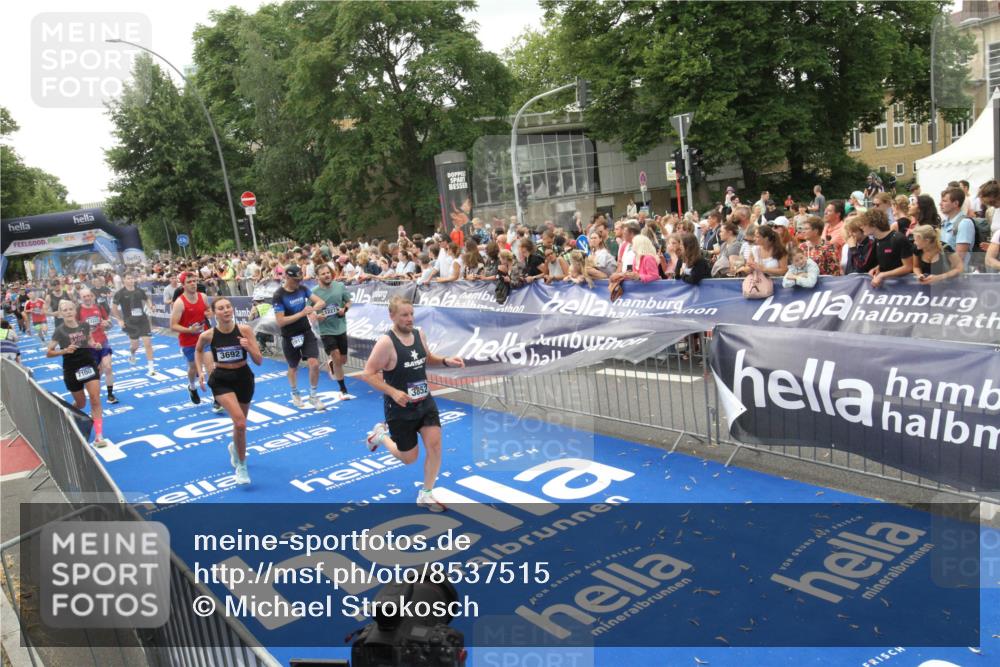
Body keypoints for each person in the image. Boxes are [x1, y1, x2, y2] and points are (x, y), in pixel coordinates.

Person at [362, 296, 465, 512]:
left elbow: (426, 357)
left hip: (424, 402)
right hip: (399, 408)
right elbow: (368, 374)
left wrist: (446, 361)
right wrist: (393, 392)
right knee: (409, 458)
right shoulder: (386, 343)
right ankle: (381, 437)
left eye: (411, 314)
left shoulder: (419, 334)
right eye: (404, 315)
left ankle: (426, 494)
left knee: (435, 446)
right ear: (392, 316)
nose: (410, 319)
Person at [195, 298, 263, 485]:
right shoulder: (208, 335)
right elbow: (198, 350)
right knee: (240, 423)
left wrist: (248, 346)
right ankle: (242, 466)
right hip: (221, 380)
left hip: (244, 378)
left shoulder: (245, 330)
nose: (226, 310)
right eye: (221, 308)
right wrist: (200, 371)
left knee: (239, 425)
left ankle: (235, 447)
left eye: (228, 307)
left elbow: (259, 360)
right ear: (213, 312)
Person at [46, 299, 109, 447]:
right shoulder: (59, 331)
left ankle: (99, 436)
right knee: (81, 403)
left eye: (70, 309)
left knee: (95, 399)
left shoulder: (84, 325)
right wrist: (64, 350)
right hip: (71, 369)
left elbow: (89, 341)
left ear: (75, 311)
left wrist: (95, 345)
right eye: (64, 310)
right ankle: (70, 416)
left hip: (88, 364)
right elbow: (48, 352)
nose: (68, 312)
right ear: (60, 314)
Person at [273, 264, 327, 410]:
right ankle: (295, 393)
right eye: (296, 280)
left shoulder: (302, 289)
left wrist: (312, 310)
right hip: (289, 336)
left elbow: (321, 302)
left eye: (300, 279)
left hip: (306, 332)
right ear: (287, 277)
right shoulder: (279, 295)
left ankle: (313, 395)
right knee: (293, 367)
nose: (299, 282)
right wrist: (302, 313)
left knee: (314, 363)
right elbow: (281, 321)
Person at [170, 272, 216, 407]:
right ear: (183, 285)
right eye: (189, 282)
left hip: (204, 338)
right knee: (193, 369)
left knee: (210, 367)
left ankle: (217, 398)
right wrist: (190, 330)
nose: (193, 284)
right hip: (188, 341)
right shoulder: (179, 303)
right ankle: (192, 387)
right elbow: (173, 325)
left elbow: (208, 311)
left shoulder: (203, 296)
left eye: (194, 281)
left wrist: (209, 313)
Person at [312, 263, 353, 399]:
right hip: (326, 330)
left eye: (328, 272)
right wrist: (317, 316)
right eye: (323, 274)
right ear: (317, 277)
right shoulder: (314, 292)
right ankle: (343, 389)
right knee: (335, 355)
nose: (326, 275)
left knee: (342, 360)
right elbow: (309, 311)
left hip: (340, 327)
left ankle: (332, 363)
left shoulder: (339, 286)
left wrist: (344, 309)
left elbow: (348, 302)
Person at [77, 289, 117, 405]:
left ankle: (110, 394)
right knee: (96, 373)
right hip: (88, 346)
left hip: (103, 341)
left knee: (108, 367)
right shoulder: (78, 310)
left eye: (89, 296)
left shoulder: (99, 307)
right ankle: (91, 391)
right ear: (81, 297)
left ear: (92, 296)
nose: (87, 298)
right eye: (84, 296)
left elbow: (109, 323)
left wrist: (107, 324)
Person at [112, 273, 156, 375]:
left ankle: (151, 368)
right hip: (130, 323)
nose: (131, 280)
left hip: (142, 320)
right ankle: (132, 353)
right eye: (129, 278)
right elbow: (114, 309)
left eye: (132, 278)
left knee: (148, 344)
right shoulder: (120, 293)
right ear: (124, 280)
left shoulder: (139, 291)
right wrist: (120, 320)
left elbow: (147, 299)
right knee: (135, 345)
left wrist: (150, 306)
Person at [862, 208, 913, 288]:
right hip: (888, 287)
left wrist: (883, 275)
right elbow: (889, 260)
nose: (861, 227)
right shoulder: (877, 240)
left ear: (874, 225)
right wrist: (877, 268)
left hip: (903, 286)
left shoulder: (898, 238)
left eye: (864, 224)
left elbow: (908, 267)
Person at [938, 186, 976, 269]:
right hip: (944, 272)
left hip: (958, 276)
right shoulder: (944, 223)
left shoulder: (964, 223)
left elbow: (959, 257)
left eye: (944, 201)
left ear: (956, 203)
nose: (940, 204)